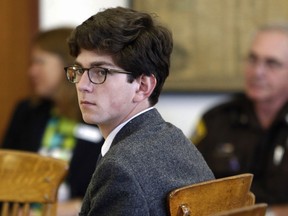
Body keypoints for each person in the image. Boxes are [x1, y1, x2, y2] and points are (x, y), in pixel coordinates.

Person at [64, 6, 214, 216]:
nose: (82, 85)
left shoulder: (120, 168)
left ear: (143, 86)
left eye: (100, 72)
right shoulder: (174, 140)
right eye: (79, 70)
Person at [1, 28, 104, 216]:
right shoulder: (27, 112)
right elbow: (5, 174)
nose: (31, 71)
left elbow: (105, 193)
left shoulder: (99, 118)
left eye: (39, 62)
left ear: (66, 64)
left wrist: (63, 210)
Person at [191, 23, 288, 215]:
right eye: (252, 59)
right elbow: (187, 186)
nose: (257, 72)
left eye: (272, 63)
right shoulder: (216, 119)